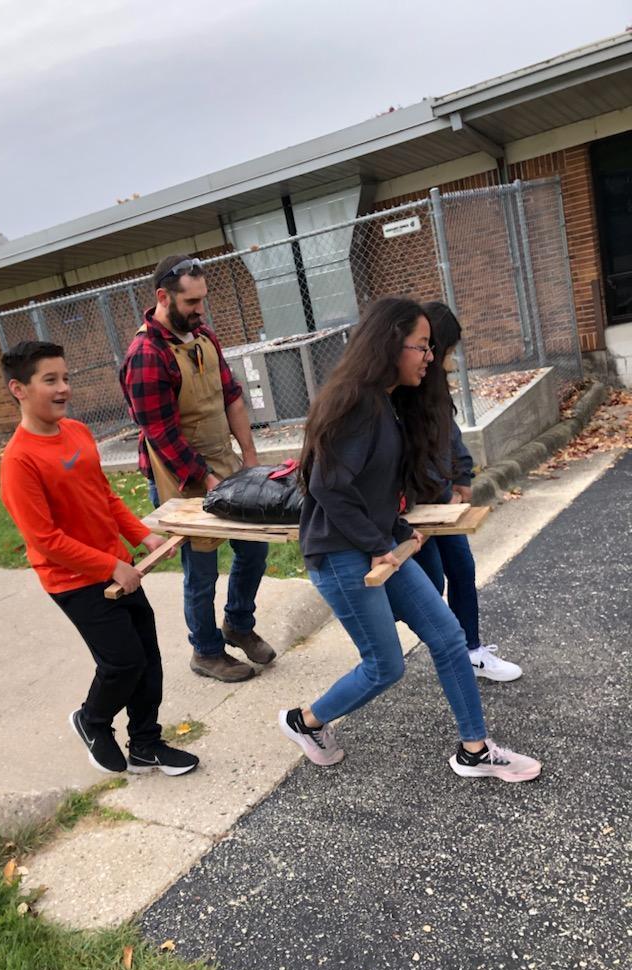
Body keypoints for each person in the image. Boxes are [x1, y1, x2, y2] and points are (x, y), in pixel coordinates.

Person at [278, 296, 541, 783]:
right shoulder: (355, 402)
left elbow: (371, 487)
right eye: (421, 346)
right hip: (339, 554)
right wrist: (380, 545)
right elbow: (328, 488)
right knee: (385, 667)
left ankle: (475, 751)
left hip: (374, 542)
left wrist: (399, 530)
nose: (429, 357)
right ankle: (304, 722)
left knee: (447, 636)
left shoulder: (384, 400)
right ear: (390, 343)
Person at [0, 340, 198, 778]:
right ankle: (92, 720)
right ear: (19, 389)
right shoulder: (19, 460)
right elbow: (45, 539)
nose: (63, 388)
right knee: (122, 662)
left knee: (148, 657)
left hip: (118, 566)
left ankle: (146, 744)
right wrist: (110, 566)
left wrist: (141, 537)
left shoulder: (77, 433)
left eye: (65, 378)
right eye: (50, 380)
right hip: (73, 581)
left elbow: (103, 497)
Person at [121, 254, 274, 684]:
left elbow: (231, 395)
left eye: (202, 300)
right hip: (181, 476)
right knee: (202, 569)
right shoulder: (147, 354)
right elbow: (162, 433)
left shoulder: (203, 335)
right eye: (191, 302)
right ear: (163, 297)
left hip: (224, 463)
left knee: (254, 548)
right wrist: (207, 482)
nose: (199, 310)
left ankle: (238, 624)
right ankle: (206, 651)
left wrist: (249, 456)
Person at [392, 301, 522, 683]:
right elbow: (410, 452)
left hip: (441, 497)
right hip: (417, 505)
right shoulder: (403, 390)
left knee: (462, 569)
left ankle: (470, 651)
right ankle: (450, 650)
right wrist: (439, 491)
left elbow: (449, 434)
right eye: (437, 350)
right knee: (430, 583)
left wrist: (462, 478)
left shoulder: (432, 385)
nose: (441, 359)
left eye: (439, 350)